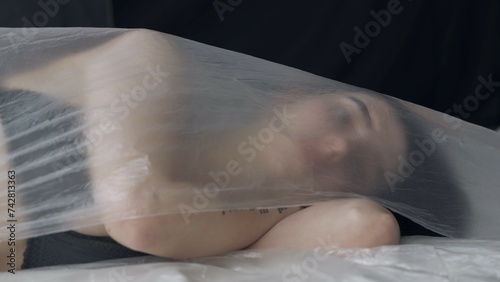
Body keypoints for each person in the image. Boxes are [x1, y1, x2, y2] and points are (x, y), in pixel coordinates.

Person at [0, 29, 445, 271]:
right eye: (345, 117)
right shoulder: (151, 61)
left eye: (366, 167)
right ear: (291, 95)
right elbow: (140, 215)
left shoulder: (242, 235)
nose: (334, 148)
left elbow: (365, 226)